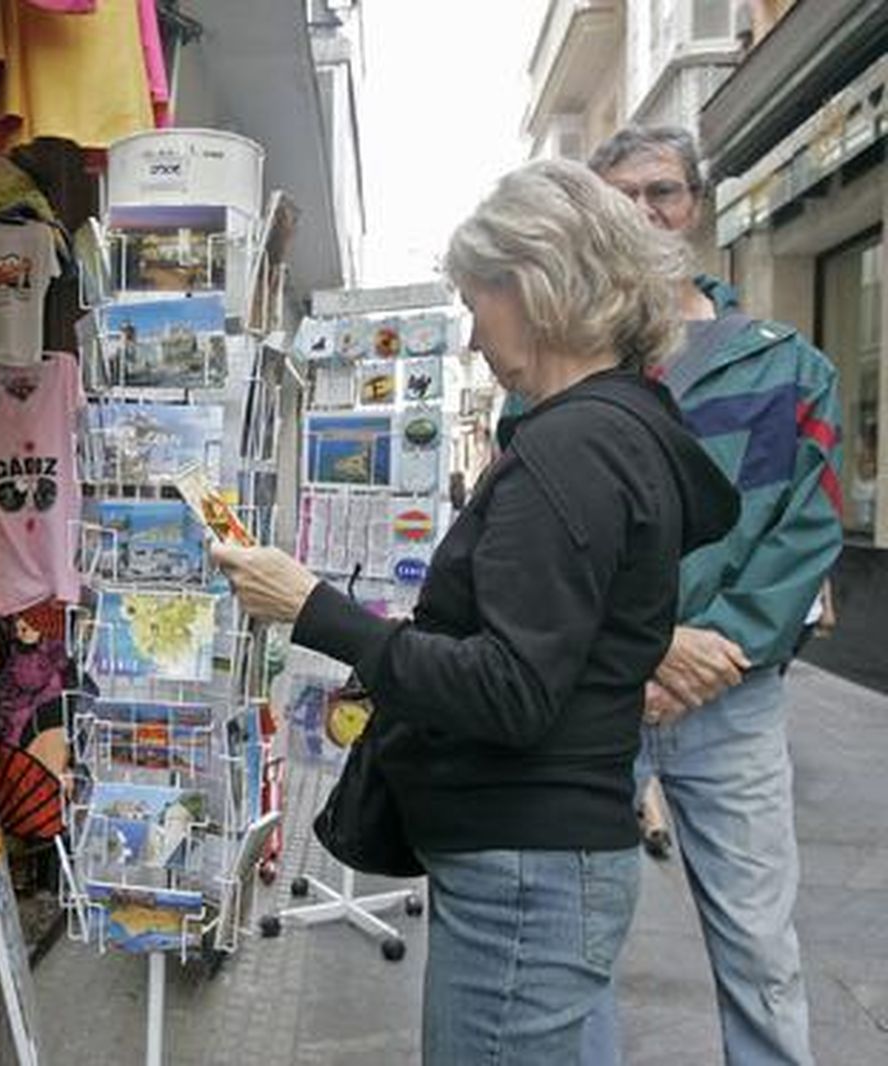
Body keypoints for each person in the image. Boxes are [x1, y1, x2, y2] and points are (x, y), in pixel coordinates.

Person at [211, 159, 740, 1063]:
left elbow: (511, 689)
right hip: (555, 848)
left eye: (475, 300)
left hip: (525, 862)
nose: (469, 332)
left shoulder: (570, 450)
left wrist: (311, 608)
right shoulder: (625, 430)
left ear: (533, 285)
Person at [580, 126, 843, 1066]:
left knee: (761, 952)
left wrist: (708, 652)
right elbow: (544, 539)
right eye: (620, 196)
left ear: (699, 204)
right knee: (578, 953)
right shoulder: (563, 361)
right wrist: (645, 650)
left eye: (663, 192)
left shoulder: (785, 366)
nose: (644, 213)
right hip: (597, 699)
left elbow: (804, 538)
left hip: (730, 704)